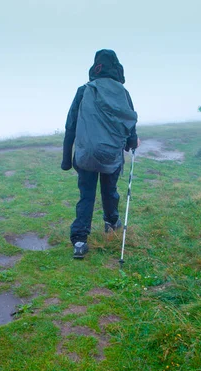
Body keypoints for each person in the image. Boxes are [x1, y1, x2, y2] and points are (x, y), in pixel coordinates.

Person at [61, 49, 139, 259]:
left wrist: (66, 160)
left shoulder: (84, 90)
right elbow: (129, 121)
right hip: (111, 154)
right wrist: (132, 142)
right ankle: (111, 222)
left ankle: (79, 241)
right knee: (109, 191)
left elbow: (71, 125)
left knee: (86, 196)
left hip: (86, 154)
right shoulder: (123, 93)